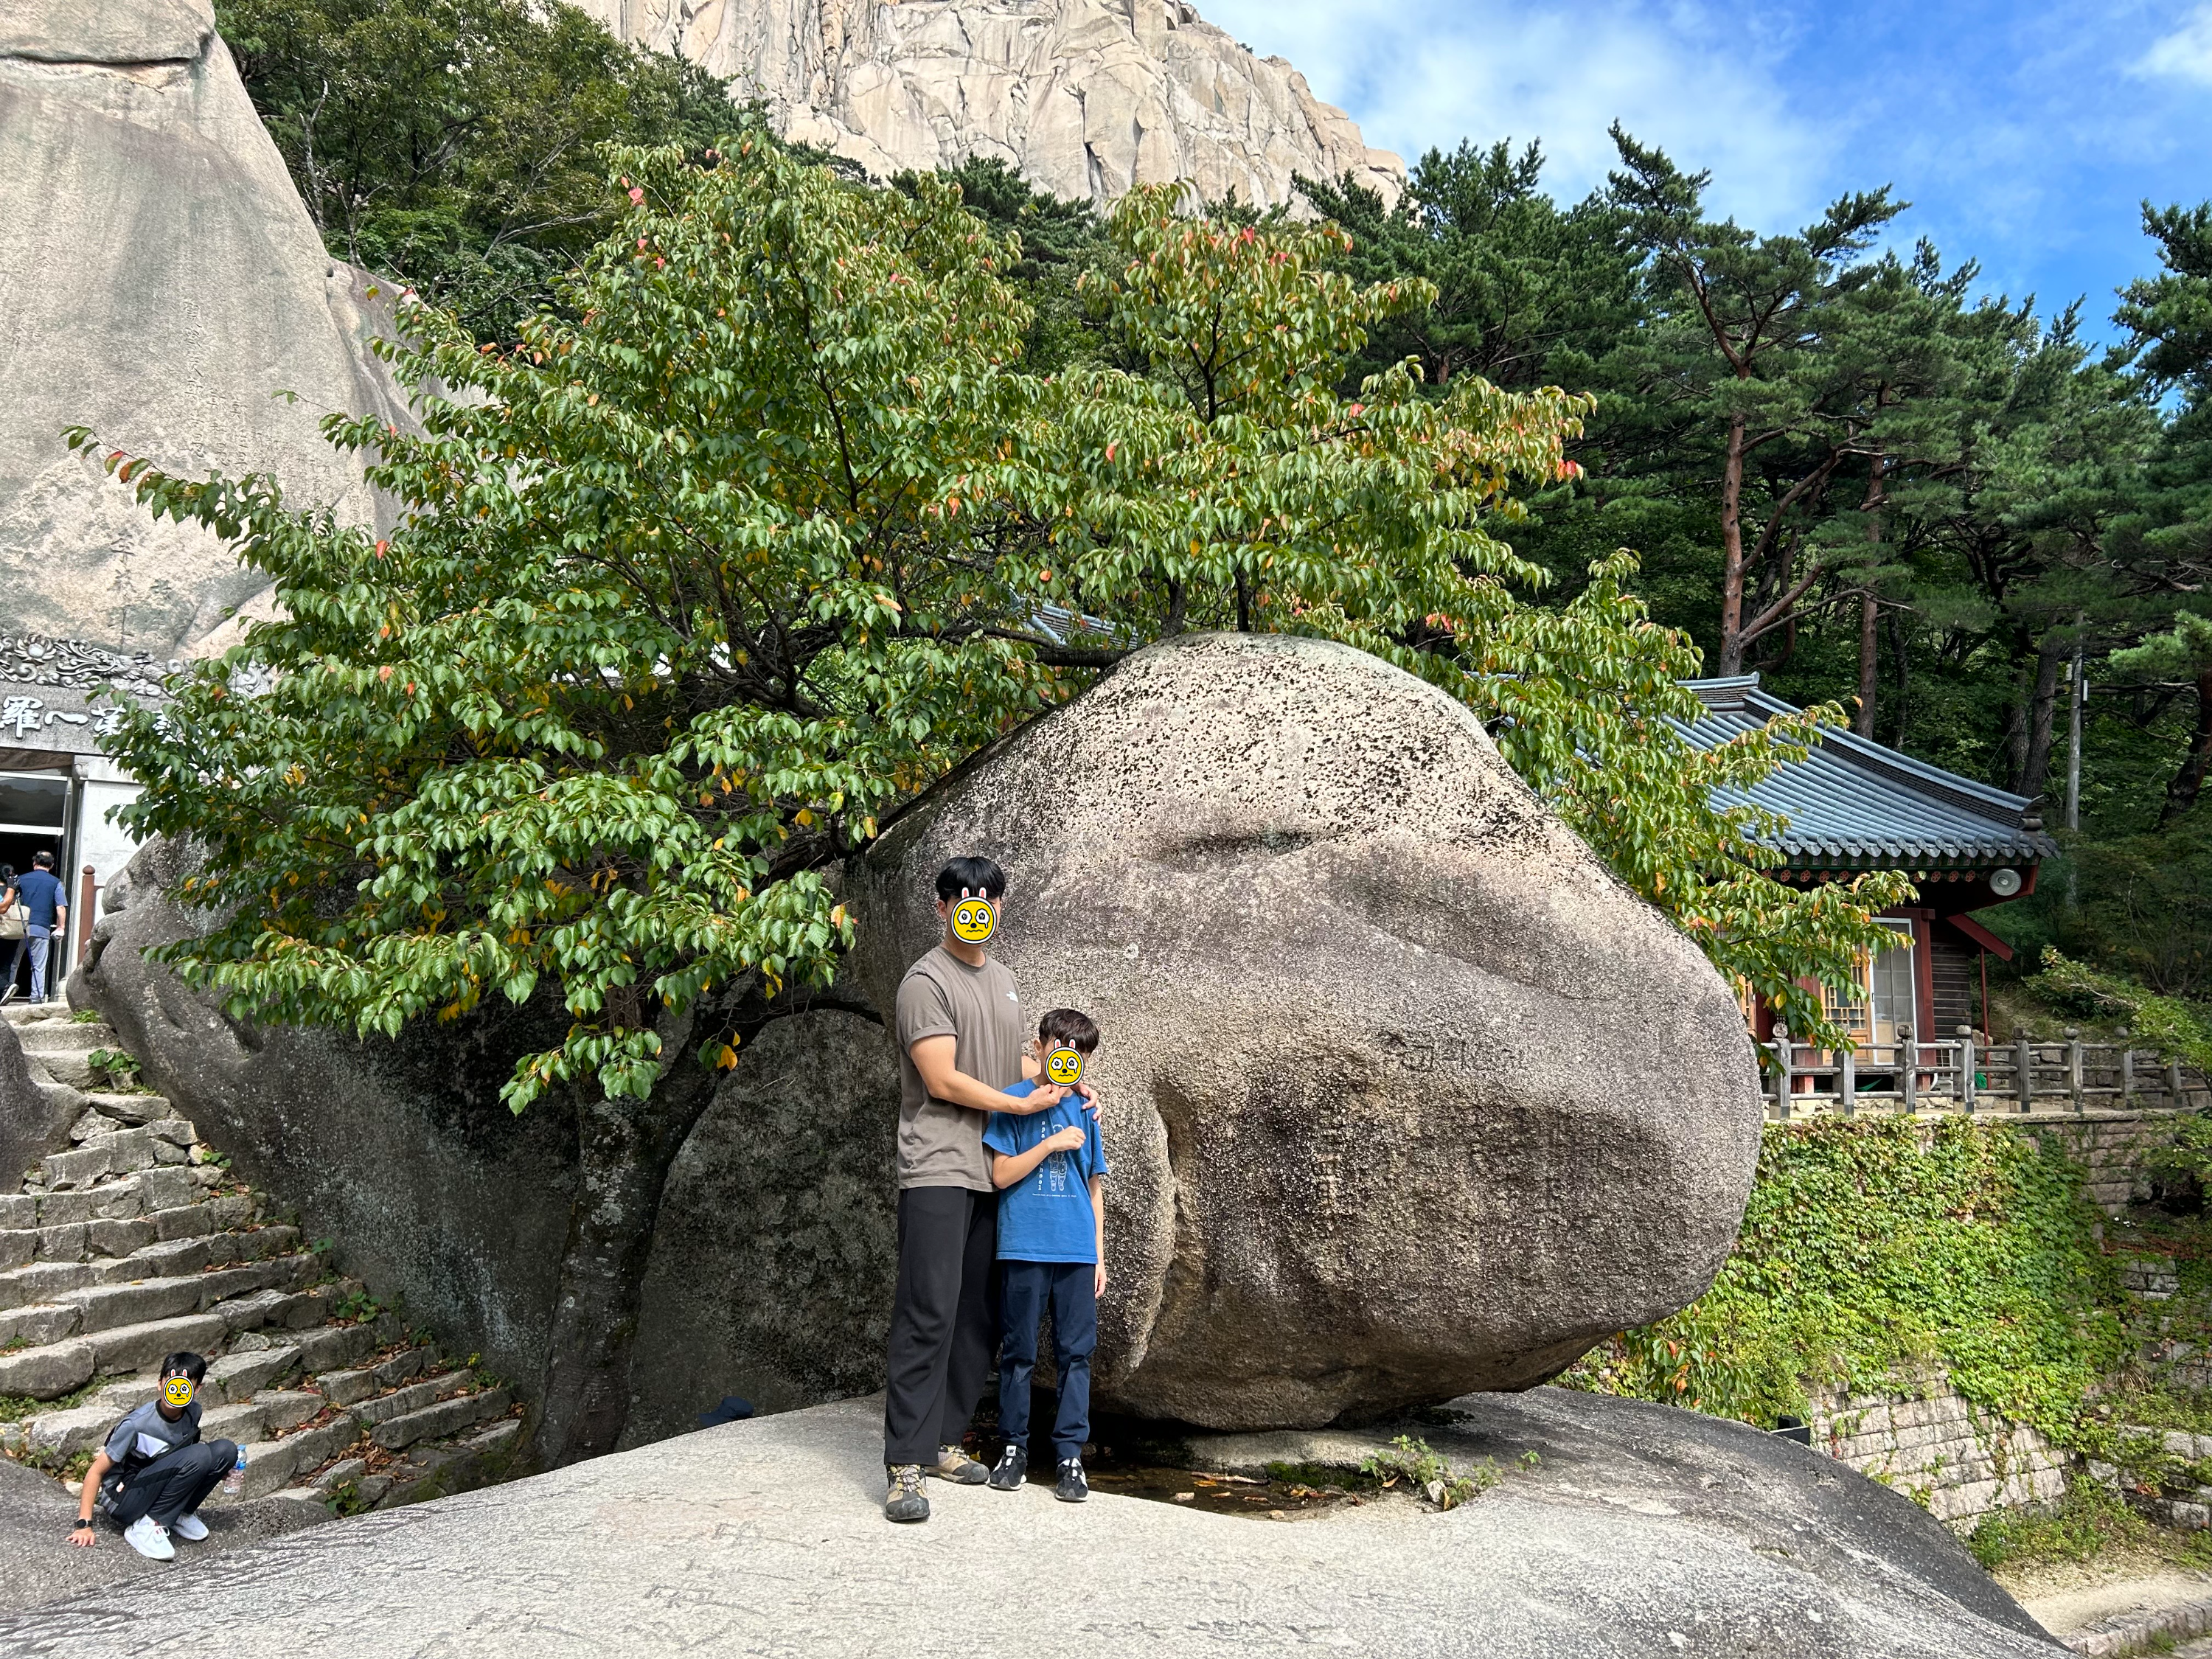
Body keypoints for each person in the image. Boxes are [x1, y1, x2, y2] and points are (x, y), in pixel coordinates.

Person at [882, 855, 1096, 1525]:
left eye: (988, 898)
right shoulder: (925, 981)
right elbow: (942, 1079)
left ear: (998, 907)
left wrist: (1066, 1085)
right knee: (930, 1310)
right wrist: (1023, 1110)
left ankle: (946, 1440)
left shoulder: (1002, 979)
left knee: (977, 1314)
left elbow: (1022, 1061)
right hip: (942, 1163)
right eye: (963, 898)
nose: (976, 908)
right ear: (944, 907)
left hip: (995, 1169)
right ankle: (904, 1466)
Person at [983, 1008, 1109, 1503]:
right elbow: (1000, 1176)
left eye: (1081, 1053)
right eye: (1060, 1046)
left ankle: (1070, 1457)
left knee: (1077, 1355)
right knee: (1018, 1353)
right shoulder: (1013, 1101)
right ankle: (1012, 1448)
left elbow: (1094, 1186)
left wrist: (1099, 1255)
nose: (1069, 1058)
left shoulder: (1087, 1108)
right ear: (1039, 1046)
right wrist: (1051, 1142)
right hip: (1024, 1244)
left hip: (1076, 1249)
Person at [69, 1351, 237, 1560]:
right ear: (160, 1384)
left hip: (156, 1480)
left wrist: (214, 1472)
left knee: (226, 1451)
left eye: (185, 1387)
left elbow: (181, 1455)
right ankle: (147, 1526)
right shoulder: (137, 1424)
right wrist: (84, 1525)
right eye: (172, 1384)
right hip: (124, 1497)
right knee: (201, 1453)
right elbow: (95, 1472)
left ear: (197, 1390)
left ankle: (179, 1514)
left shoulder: (193, 1412)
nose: (177, 1392)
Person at [12, 849, 64, 1004]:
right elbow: (60, 907)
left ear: (34, 863)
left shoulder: (21, 879)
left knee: (13, 963)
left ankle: (4, 993)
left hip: (19, 927)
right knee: (38, 966)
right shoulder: (56, 883)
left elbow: (12, 902)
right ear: (52, 865)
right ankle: (37, 998)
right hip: (42, 928)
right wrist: (61, 927)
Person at [0, 863, 23, 1004]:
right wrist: (12, 887)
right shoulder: (15, 890)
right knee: (5, 965)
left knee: (5, 964)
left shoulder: (12, 890)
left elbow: (2, 908)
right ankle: (3, 993)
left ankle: (4, 988)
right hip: (12, 931)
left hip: (3, 931)